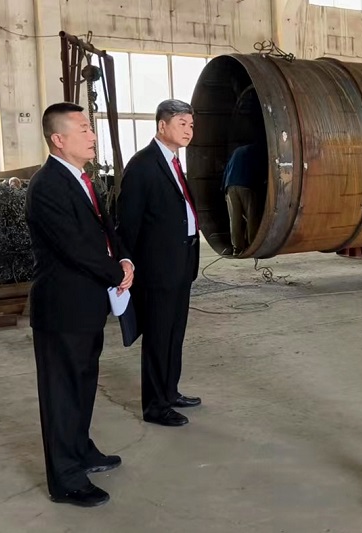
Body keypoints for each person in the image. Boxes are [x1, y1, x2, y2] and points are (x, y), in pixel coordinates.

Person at [25, 102, 134, 507]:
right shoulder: (47, 186)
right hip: (62, 308)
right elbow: (74, 247)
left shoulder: (82, 179)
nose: (92, 135)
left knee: (83, 383)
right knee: (62, 394)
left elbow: (105, 231)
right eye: (84, 129)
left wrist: (124, 259)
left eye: (91, 128)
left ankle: (81, 449)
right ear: (58, 139)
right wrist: (114, 272)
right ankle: (66, 479)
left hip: (88, 304)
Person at [116, 99, 201, 427]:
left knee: (174, 333)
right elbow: (128, 223)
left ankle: (170, 391)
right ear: (162, 125)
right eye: (182, 124)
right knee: (157, 336)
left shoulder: (175, 163)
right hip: (157, 269)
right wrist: (128, 263)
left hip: (182, 263)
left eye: (191, 125)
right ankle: (155, 406)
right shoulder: (143, 165)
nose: (188, 131)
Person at [222, 140, 266, 255]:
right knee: (252, 217)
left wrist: (224, 188)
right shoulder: (256, 151)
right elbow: (259, 168)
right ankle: (252, 246)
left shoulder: (236, 151)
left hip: (230, 186)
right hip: (246, 185)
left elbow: (226, 169)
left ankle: (237, 248)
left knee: (234, 219)